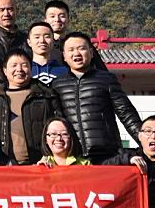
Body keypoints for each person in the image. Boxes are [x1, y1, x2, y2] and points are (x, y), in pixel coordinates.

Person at [51, 32, 143, 163]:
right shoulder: (57, 85)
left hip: (107, 154)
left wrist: (144, 141)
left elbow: (126, 113)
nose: (76, 53)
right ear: (64, 56)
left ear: (91, 52)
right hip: (73, 156)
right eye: (71, 50)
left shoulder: (107, 79)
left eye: (81, 48)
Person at [0, 49, 62, 166]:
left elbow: (59, 129)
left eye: (24, 65)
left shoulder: (46, 97)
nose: (19, 69)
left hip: (41, 164)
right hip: (4, 166)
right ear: (5, 70)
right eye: (14, 65)